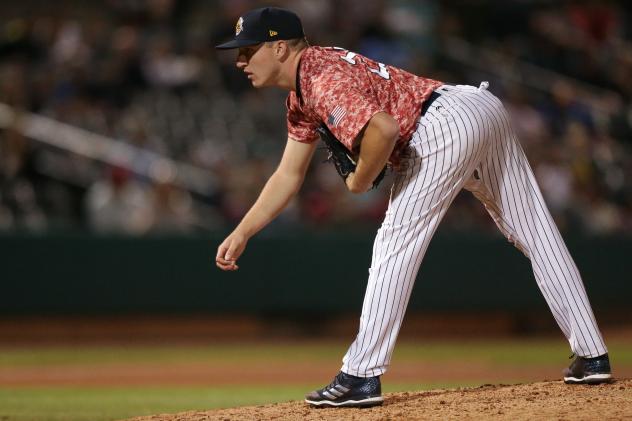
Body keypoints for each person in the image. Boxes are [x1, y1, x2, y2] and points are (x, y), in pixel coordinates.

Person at [214, 7, 612, 408]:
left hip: (438, 127)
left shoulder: (319, 78)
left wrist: (361, 180)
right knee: (536, 233)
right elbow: (288, 175)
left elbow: (383, 129)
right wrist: (243, 230)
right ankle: (592, 355)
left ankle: (360, 374)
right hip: (478, 106)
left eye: (248, 50)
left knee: (393, 246)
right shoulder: (303, 92)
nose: (240, 61)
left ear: (280, 47)